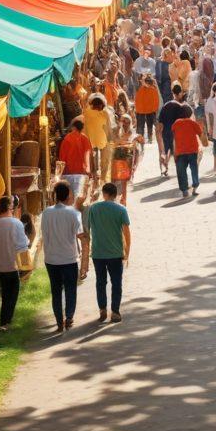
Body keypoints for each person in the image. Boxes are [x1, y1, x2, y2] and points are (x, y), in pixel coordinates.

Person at [41, 180, 87, 333]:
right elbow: (81, 235)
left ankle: (59, 322)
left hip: (51, 259)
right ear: (68, 195)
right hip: (69, 259)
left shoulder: (46, 213)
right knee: (70, 289)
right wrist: (85, 260)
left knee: (56, 291)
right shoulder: (74, 213)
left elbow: (45, 235)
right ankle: (69, 317)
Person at [86, 182, 131, 324]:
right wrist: (127, 252)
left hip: (98, 252)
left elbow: (87, 229)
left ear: (104, 194)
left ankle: (102, 309)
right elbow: (126, 232)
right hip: (115, 252)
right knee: (116, 282)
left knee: (100, 282)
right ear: (116, 194)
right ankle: (115, 312)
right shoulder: (121, 209)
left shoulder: (93, 208)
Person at [0, 194, 29, 331]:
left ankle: (3, 321)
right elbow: (22, 244)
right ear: (10, 207)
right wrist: (25, 265)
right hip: (11, 264)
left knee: (6, 292)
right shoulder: (15, 222)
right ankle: (6, 322)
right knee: (13, 291)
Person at [58, 116, 96, 207]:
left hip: (68, 171)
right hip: (82, 172)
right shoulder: (85, 138)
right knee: (78, 196)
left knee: (69, 196)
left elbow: (62, 156)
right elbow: (90, 156)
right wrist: (91, 171)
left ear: (73, 127)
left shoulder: (67, 138)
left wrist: (60, 171)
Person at [171, 103, 207, 198]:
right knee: (194, 169)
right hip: (192, 150)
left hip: (180, 151)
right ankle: (195, 187)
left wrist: (174, 152)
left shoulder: (175, 124)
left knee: (181, 171)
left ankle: (184, 190)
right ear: (190, 113)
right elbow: (200, 134)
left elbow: (174, 139)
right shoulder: (193, 123)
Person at [157, 82, 188, 178]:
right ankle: (179, 170)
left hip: (166, 132)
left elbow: (160, 121)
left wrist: (159, 134)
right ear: (179, 93)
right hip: (176, 133)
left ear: (172, 93)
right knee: (176, 152)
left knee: (165, 151)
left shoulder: (166, 105)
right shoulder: (181, 106)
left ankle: (164, 169)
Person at [84, 93, 113, 184]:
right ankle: (102, 180)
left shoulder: (86, 112)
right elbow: (108, 127)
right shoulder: (105, 113)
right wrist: (110, 139)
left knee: (94, 163)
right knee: (104, 162)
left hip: (91, 141)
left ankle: (96, 179)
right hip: (101, 141)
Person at [134, 73, 160, 144]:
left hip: (150, 110)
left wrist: (155, 109)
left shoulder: (153, 88)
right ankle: (140, 141)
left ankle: (150, 140)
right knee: (140, 128)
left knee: (149, 127)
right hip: (140, 110)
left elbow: (156, 99)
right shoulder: (139, 86)